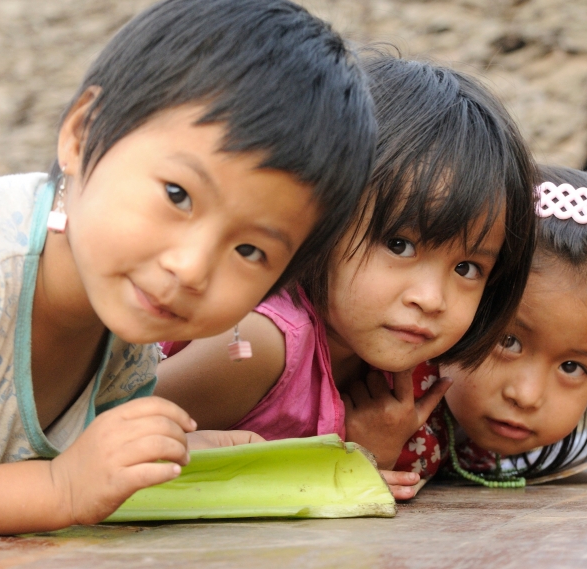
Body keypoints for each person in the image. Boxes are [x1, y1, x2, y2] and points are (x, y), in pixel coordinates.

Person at [0, 0, 377, 534]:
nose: (191, 269)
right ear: (81, 134)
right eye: (177, 195)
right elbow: (58, 483)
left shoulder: (129, 339)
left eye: (249, 251)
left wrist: (170, 449)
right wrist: (61, 488)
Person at [155, 52, 537, 498]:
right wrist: (332, 476)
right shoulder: (264, 347)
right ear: (322, 217)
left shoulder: (402, 365)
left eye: (467, 268)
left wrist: (365, 455)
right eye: (399, 244)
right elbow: (93, 438)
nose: (432, 298)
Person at [394, 165, 587, 488]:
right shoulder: (380, 387)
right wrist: (368, 455)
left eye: (572, 367)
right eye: (507, 342)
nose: (526, 396)